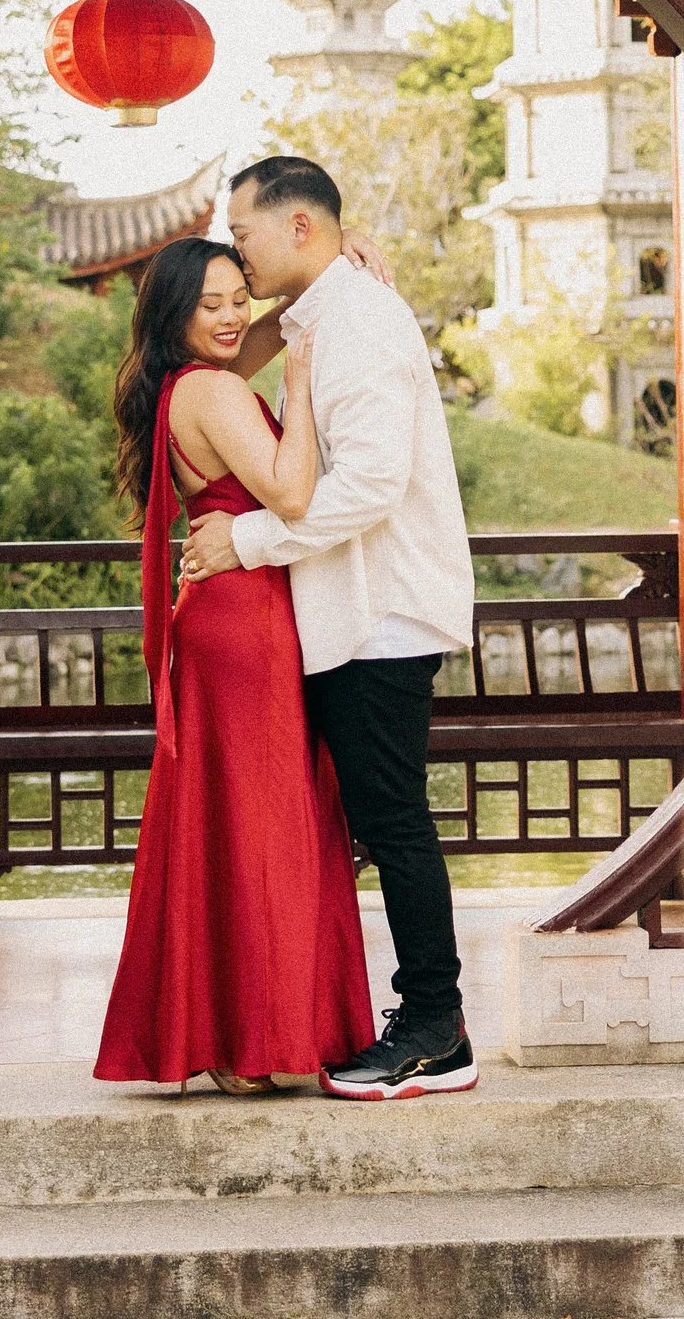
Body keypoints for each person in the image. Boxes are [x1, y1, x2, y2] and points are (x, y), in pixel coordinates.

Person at [179, 154, 480, 1100]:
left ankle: (435, 1028)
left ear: (297, 226)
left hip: (381, 612)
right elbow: (232, 344)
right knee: (373, 824)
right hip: (345, 614)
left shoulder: (360, 320)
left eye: (245, 234)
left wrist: (249, 541)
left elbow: (371, 485)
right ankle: (354, 1017)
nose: (238, 251)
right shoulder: (326, 310)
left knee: (395, 825)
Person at [93, 236, 376, 1093]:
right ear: (174, 314)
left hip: (225, 621)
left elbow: (264, 328)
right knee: (264, 827)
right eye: (208, 303)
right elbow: (290, 495)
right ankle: (253, 1042)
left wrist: (333, 275)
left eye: (235, 298)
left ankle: (240, 1035)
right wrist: (295, 384)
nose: (228, 316)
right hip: (247, 626)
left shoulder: (187, 383)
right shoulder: (216, 393)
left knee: (234, 823)